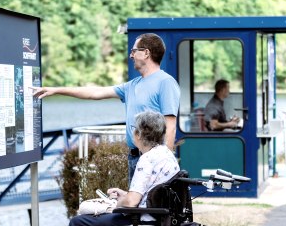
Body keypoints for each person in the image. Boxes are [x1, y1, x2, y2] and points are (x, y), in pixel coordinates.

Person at [44, 110, 180, 226]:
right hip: (156, 217)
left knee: (78, 224)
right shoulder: (166, 154)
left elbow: (132, 203)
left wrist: (117, 203)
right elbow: (147, 194)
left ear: (139, 135)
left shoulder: (147, 160)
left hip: (139, 222)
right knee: (90, 224)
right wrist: (126, 195)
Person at [31, 33, 180, 181]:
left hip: (154, 160)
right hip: (134, 157)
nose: (131, 55)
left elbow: (171, 126)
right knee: (136, 204)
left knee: (154, 204)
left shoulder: (166, 82)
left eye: (134, 51)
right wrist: (56, 90)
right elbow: (95, 92)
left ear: (146, 53)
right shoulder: (132, 85)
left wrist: (163, 164)